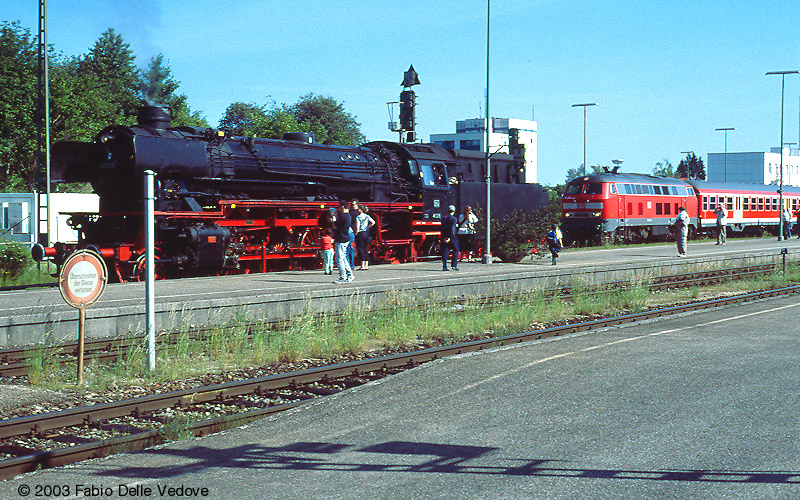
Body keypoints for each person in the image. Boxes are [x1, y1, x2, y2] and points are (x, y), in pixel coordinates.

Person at [333, 200, 354, 284]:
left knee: (339, 259)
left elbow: (334, 226)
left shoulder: (343, 216)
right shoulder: (348, 216)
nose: (338, 209)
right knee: (344, 258)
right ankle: (350, 274)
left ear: (342, 206)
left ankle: (343, 277)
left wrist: (333, 216)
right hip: (345, 238)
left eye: (338, 207)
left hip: (341, 239)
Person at [355, 205, 376, 270]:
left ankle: (362, 265)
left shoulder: (358, 217)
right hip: (366, 233)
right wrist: (367, 227)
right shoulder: (367, 216)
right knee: (365, 248)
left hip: (360, 233)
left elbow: (357, 226)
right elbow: (373, 222)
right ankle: (366, 264)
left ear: (361, 210)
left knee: (360, 249)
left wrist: (356, 233)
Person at [440, 205, 459, 271]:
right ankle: (454, 265)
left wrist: (443, 237)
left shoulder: (443, 219)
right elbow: (452, 229)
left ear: (448, 211)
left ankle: (444, 266)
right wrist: (450, 237)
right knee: (456, 249)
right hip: (451, 237)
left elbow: (442, 228)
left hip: (444, 236)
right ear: (454, 211)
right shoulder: (454, 219)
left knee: (445, 251)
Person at [347, 199, 358, 269]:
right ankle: (350, 264)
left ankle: (351, 264)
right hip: (350, 231)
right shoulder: (351, 212)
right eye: (351, 205)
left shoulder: (357, 213)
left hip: (353, 231)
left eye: (353, 205)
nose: (352, 206)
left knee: (350, 247)